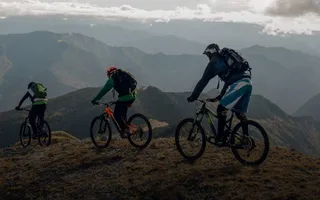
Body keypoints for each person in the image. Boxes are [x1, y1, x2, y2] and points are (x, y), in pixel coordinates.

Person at [187, 43, 252, 146]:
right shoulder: (225, 61)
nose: (208, 58)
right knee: (240, 113)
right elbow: (229, 81)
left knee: (221, 109)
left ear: (210, 53)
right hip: (248, 82)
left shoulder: (214, 62)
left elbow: (203, 81)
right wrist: (221, 96)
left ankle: (220, 138)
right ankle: (246, 139)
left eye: (208, 55)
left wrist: (194, 96)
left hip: (239, 84)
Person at [91, 66, 137, 138]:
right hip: (133, 96)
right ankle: (126, 129)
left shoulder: (113, 78)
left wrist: (95, 99)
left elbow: (104, 90)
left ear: (109, 74)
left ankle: (125, 131)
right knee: (122, 112)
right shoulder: (122, 75)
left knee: (116, 114)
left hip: (125, 97)